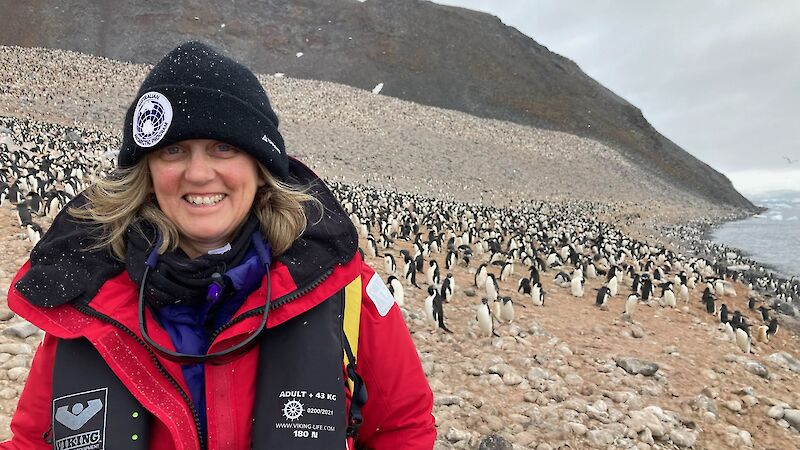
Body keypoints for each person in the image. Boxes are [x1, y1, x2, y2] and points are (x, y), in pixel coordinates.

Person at [2, 41, 436, 450]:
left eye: (223, 147)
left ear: (261, 163)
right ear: (147, 170)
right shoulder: (88, 293)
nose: (198, 173)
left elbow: (401, 426)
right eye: (173, 151)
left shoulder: (340, 287)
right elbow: (33, 441)